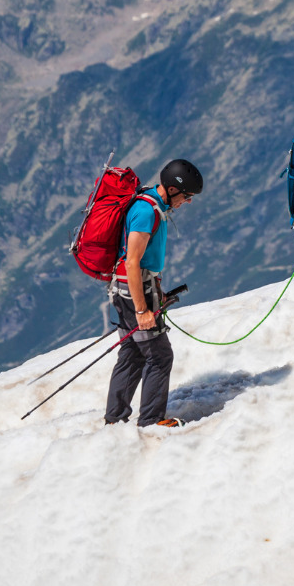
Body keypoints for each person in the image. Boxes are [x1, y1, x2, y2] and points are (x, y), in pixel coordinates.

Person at [104, 158, 203, 427]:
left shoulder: (150, 203)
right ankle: (150, 421)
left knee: (133, 353)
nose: (188, 201)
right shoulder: (146, 212)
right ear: (172, 190)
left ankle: (115, 420)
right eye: (187, 195)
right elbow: (132, 261)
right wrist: (142, 310)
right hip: (134, 291)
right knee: (160, 356)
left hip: (129, 288)